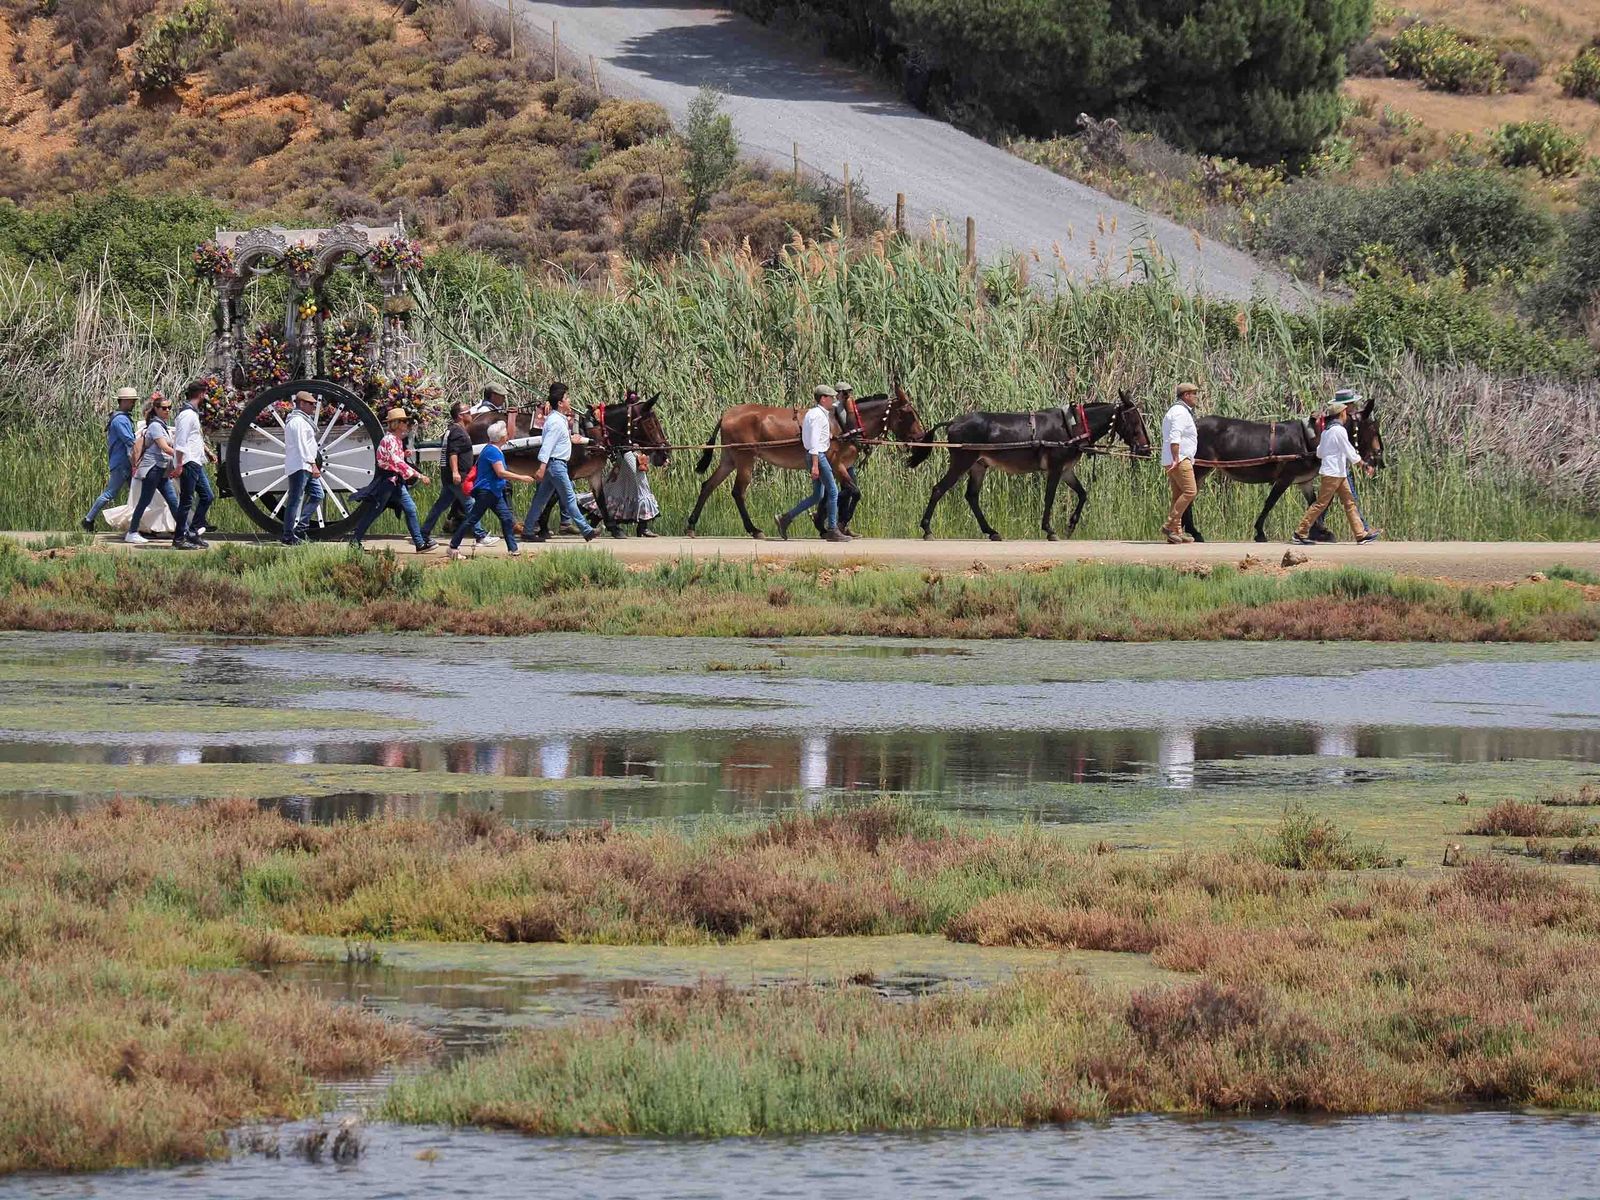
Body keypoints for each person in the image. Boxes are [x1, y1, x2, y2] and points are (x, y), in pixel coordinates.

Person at [1293, 397, 1380, 546]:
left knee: (1349, 502)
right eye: (1345, 412)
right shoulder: (1339, 431)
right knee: (1321, 504)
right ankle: (1300, 533)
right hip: (1333, 473)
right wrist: (1363, 464)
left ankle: (1360, 534)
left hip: (1338, 473)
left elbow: (1320, 453)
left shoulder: (1326, 432)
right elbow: (1349, 451)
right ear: (1342, 413)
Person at [349, 407, 435, 551]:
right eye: (404, 421)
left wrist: (403, 454)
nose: (407, 424)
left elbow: (393, 458)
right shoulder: (389, 440)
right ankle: (355, 541)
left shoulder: (395, 440)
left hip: (394, 482)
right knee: (374, 512)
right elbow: (397, 462)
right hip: (387, 483)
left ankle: (419, 543)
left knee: (410, 509)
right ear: (397, 424)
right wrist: (419, 475)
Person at [523, 382, 598, 543]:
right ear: (560, 403)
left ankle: (528, 530)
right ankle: (587, 530)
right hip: (556, 465)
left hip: (554, 465)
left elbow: (560, 440)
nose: (569, 400)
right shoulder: (556, 422)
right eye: (566, 398)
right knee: (569, 498)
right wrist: (542, 467)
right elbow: (548, 445)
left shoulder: (558, 420)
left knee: (540, 499)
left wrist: (581, 440)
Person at [449, 421, 533, 558]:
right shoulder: (493, 451)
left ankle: (513, 549)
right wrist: (521, 477)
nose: (507, 435)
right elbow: (500, 472)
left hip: (494, 492)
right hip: (486, 491)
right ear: (502, 437)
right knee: (472, 519)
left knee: (506, 518)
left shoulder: (491, 449)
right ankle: (453, 546)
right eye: (506, 434)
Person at [776, 384, 846, 542]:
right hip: (817, 456)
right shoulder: (818, 416)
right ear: (823, 399)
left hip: (814, 455)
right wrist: (815, 465)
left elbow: (811, 434)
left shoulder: (813, 413)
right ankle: (833, 529)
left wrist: (827, 435)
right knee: (833, 492)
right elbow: (814, 441)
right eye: (831, 397)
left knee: (817, 495)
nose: (833, 400)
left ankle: (785, 518)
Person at [420, 401, 496, 546]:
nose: (471, 414)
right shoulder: (458, 432)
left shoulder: (452, 430)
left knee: (440, 506)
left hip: (450, 476)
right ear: (460, 416)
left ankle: (423, 533)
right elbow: (453, 453)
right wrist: (455, 472)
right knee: (471, 504)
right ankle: (480, 535)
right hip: (458, 476)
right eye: (468, 412)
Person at [124, 395, 181, 545]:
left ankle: (184, 531)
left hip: (162, 469)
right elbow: (164, 447)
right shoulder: (155, 426)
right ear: (156, 409)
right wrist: (183, 456)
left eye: (169, 408)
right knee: (144, 501)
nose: (167, 410)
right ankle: (132, 532)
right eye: (164, 408)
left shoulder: (162, 425)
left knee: (173, 501)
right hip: (153, 468)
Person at [82, 387, 138, 532]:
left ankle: (137, 524)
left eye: (134, 400)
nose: (133, 403)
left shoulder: (121, 418)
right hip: (122, 463)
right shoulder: (120, 420)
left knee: (136, 493)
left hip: (124, 462)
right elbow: (129, 440)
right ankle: (88, 519)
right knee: (110, 493)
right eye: (131, 400)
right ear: (123, 401)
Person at [169, 379, 215, 549]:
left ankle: (193, 532)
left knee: (207, 496)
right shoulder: (187, 415)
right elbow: (181, 441)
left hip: (195, 461)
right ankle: (179, 538)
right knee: (186, 500)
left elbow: (194, 438)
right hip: (188, 461)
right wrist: (179, 464)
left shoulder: (191, 414)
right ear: (201, 394)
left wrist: (206, 453)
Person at [280, 389, 324, 545]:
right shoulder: (297, 422)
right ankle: (288, 535)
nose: (313, 407)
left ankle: (300, 528)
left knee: (318, 494)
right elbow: (301, 446)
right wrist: (313, 464)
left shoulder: (302, 420)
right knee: (295, 500)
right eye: (311, 404)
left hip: (305, 465)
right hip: (300, 465)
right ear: (302, 404)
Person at [1160, 382, 1200, 545]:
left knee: (1177, 495)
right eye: (1194, 394)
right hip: (1180, 459)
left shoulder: (1176, 411)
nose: (1196, 397)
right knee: (1190, 491)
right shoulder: (1180, 413)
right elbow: (1175, 436)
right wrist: (1177, 458)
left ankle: (1176, 532)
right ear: (1186, 395)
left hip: (1176, 458)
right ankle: (1169, 524)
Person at [601, 441, 661, 537]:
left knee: (642, 487)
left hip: (636, 453)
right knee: (636, 486)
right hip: (626, 453)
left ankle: (643, 526)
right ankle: (642, 527)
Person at [834, 380, 863, 537]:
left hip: (848, 458)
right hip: (839, 458)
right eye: (845, 393)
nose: (848, 396)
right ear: (838, 394)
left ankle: (842, 524)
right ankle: (825, 512)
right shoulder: (836, 408)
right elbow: (847, 428)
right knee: (852, 491)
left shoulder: (850, 408)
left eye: (849, 392)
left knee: (851, 491)